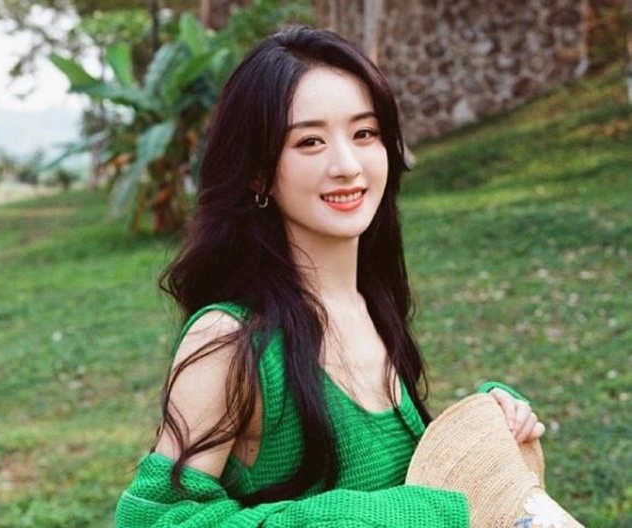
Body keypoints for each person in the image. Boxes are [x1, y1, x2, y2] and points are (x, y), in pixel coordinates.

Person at [115, 26, 545, 527]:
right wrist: (367, 518)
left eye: (364, 134)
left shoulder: (371, 305)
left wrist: (488, 427)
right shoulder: (231, 341)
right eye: (310, 141)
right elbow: (152, 520)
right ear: (258, 172)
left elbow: (410, 489)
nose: (346, 165)